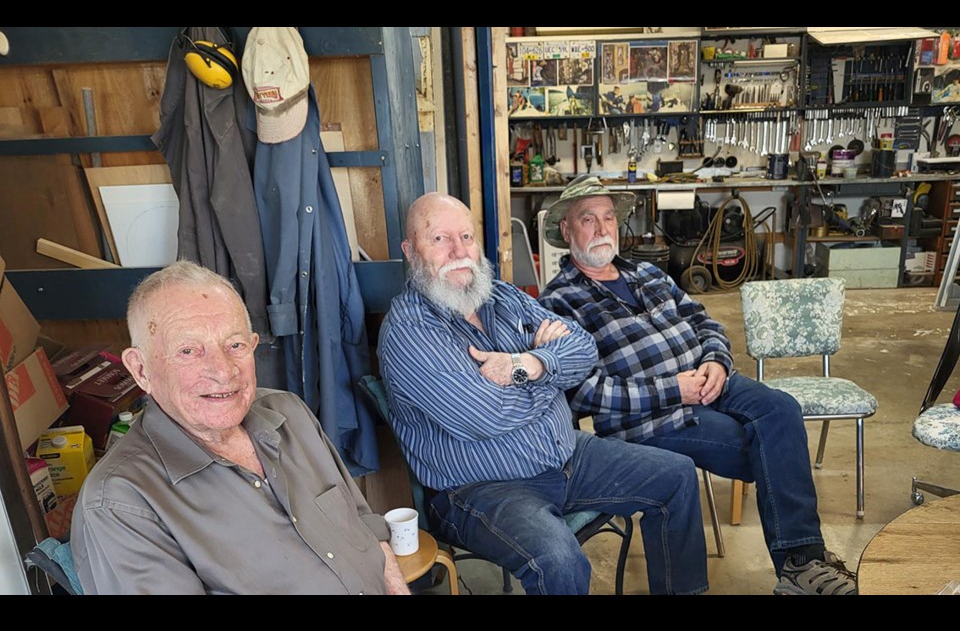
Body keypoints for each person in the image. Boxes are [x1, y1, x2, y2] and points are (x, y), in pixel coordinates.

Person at [537, 176, 859, 596]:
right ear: (566, 230)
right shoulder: (558, 302)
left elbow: (705, 321)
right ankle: (800, 564)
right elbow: (586, 393)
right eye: (588, 219)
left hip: (713, 383)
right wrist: (676, 389)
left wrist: (716, 362)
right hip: (655, 417)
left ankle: (802, 567)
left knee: (781, 410)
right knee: (766, 449)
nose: (602, 228)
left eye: (609, 217)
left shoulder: (648, 272)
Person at [377, 193, 708, 595]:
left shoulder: (501, 295)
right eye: (440, 240)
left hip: (568, 455)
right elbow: (486, 415)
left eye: (466, 236)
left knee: (676, 476)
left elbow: (584, 350)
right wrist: (551, 378)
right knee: (559, 559)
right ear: (411, 252)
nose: (458, 251)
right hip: (483, 488)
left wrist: (528, 365)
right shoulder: (409, 332)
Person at [71, 261, 410, 595]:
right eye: (188, 351)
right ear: (140, 369)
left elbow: (366, 528)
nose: (222, 371)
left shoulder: (290, 414)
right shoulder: (119, 501)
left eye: (235, 345)